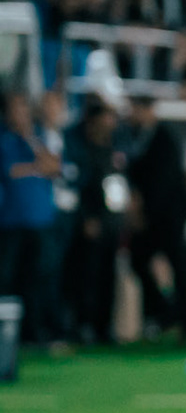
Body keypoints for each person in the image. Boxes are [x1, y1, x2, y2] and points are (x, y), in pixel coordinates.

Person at [126, 92, 186, 340]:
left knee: (178, 264)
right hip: (153, 215)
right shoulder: (136, 137)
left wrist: (144, 214)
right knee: (138, 258)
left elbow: (164, 182)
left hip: (168, 215)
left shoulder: (165, 138)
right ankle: (165, 312)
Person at [0, 93, 64, 346]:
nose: (21, 114)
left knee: (40, 278)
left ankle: (36, 332)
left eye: (24, 108)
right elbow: (12, 171)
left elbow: (55, 167)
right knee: (8, 279)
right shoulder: (5, 141)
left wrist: (34, 147)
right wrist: (39, 168)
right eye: (16, 109)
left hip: (41, 221)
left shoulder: (39, 138)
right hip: (12, 222)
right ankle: (8, 336)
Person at [64, 102, 127, 347]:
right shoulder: (81, 149)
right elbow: (77, 187)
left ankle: (103, 327)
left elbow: (118, 184)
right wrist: (86, 217)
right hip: (90, 225)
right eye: (107, 117)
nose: (111, 123)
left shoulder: (113, 148)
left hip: (112, 224)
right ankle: (84, 325)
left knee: (107, 277)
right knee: (85, 277)